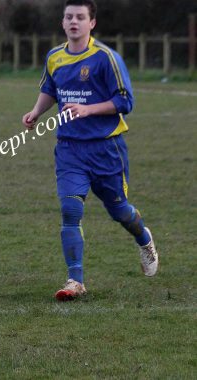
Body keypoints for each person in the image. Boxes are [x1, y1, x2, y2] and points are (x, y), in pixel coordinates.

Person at [22, 0, 158, 301]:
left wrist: (88, 109)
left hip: (107, 149)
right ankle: (75, 280)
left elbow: (126, 102)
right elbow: (50, 90)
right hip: (70, 148)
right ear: (62, 22)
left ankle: (144, 238)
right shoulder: (55, 57)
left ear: (91, 23)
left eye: (80, 17)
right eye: (69, 16)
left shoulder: (106, 58)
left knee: (119, 210)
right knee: (70, 209)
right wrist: (36, 113)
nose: (74, 22)